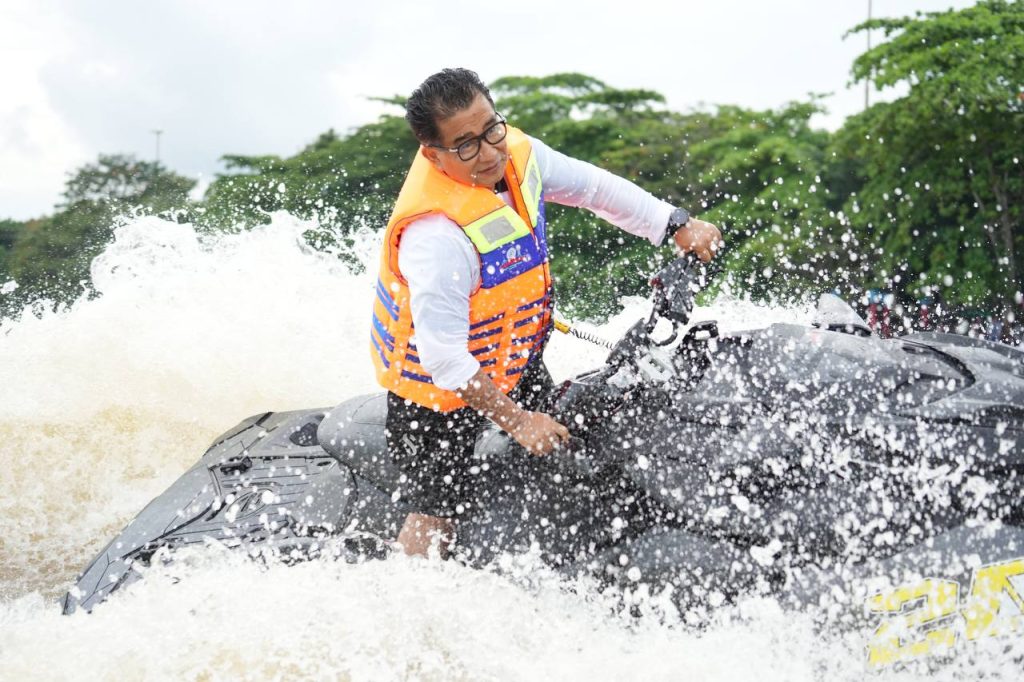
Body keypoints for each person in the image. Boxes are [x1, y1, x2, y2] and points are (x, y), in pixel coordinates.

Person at [370, 68, 722, 557]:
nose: (490, 152)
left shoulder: (519, 154)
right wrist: (518, 422)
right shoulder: (436, 238)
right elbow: (444, 359)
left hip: (513, 360)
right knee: (437, 511)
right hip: (436, 395)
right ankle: (411, 604)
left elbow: (595, 189)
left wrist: (673, 223)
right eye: (466, 145)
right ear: (433, 154)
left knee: (569, 447)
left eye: (492, 129)